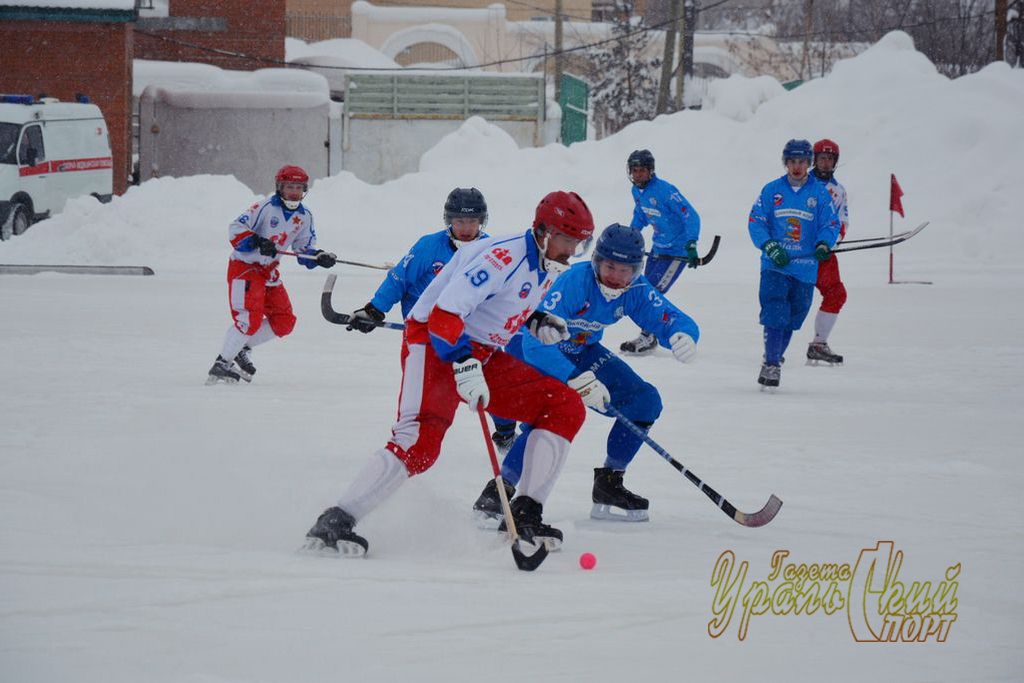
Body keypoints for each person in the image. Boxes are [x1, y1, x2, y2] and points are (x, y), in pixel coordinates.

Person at [303, 191, 597, 557]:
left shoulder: (545, 262)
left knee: (563, 406)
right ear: (544, 232)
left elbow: (501, 302)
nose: (572, 251)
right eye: (568, 241)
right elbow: (444, 317)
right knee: (422, 441)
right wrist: (465, 363)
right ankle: (336, 521)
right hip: (435, 343)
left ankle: (525, 513)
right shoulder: (502, 256)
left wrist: (534, 320)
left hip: (480, 351)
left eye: (579, 244)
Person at [472, 223, 700, 523]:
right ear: (597, 262)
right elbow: (534, 343)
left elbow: (668, 316)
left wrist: (683, 334)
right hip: (533, 350)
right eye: (610, 266)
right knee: (549, 413)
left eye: (625, 270)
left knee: (644, 401)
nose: (616, 276)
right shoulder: (574, 282)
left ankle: (609, 483)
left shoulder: (636, 289)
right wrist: (574, 379)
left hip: (581, 351)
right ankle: (501, 490)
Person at [344, 187, 517, 452]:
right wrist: (375, 309)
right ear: (449, 220)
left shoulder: (491, 250)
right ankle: (407, 442)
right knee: (422, 398)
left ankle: (506, 433)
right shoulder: (429, 246)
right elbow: (398, 279)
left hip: (471, 336)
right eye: (459, 221)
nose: (466, 227)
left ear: (482, 221)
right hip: (424, 337)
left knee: (495, 386)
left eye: (472, 221)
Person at [206, 165, 337, 384]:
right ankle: (222, 363)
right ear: (279, 187)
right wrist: (256, 241)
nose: (294, 192)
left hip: (269, 273)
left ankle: (241, 347)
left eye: (298, 187)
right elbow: (235, 229)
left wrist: (319, 256)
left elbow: (304, 249)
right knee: (249, 319)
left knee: (284, 321)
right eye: (289, 187)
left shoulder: (304, 216)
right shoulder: (265, 207)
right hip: (245, 268)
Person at [748, 139, 840, 389]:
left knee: (793, 317)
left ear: (808, 163)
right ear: (785, 163)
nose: (797, 167)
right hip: (775, 266)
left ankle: (774, 355)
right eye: (792, 162)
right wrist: (769, 245)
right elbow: (756, 221)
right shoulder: (771, 190)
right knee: (775, 310)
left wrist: (823, 243)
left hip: (805, 269)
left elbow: (831, 224)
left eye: (801, 162)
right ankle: (772, 363)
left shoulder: (820, 194)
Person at [620, 149, 702, 356]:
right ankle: (649, 335)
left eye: (642, 170)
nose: (638, 175)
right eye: (634, 170)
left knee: (654, 292)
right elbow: (641, 215)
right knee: (645, 288)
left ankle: (648, 336)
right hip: (659, 248)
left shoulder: (666, 191)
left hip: (678, 251)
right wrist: (631, 235)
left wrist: (691, 244)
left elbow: (691, 216)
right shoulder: (637, 192)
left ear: (651, 171)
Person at [807, 139, 848, 365]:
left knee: (836, 293)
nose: (825, 162)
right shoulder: (801, 183)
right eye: (821, 158)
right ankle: (773, 350)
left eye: (830, 159)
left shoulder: (839, 191)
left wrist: (831, 243)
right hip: (799, 254)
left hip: (824, 255)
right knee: (791, 301)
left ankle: (819, 344)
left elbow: (842, 221)